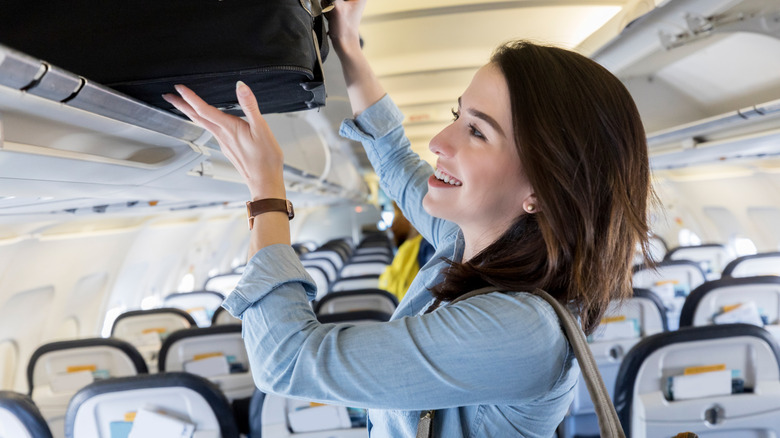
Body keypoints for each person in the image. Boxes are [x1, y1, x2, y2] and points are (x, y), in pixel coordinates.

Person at [162, 0, 653, 435]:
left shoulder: (521, 332)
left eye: (478, 132)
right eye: (458, 114)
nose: (440, 142)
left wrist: (267, 192)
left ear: (542, 190)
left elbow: (287, 361)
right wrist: (349, 48)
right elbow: (397, 160)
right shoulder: (465, 243)